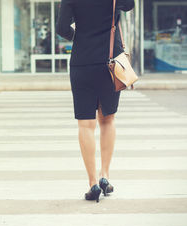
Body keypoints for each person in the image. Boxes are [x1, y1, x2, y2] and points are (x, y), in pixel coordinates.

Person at [56, 0, 135, 202]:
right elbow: (129, 5)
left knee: (85, 124)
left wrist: (80, 38)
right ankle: (104, 176)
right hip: (110, 62)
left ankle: (92, 183)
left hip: (82, 62)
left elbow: (62, 28)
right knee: (108, 119)